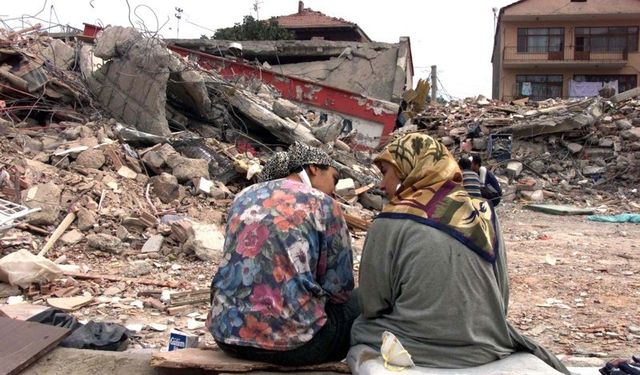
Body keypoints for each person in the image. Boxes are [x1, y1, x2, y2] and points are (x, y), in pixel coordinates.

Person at [350, 134, 569, 374]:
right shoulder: (484, 212)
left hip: (415, 347)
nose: (382, 185)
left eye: (385, 173)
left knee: (356, 325)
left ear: (407, 171)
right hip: (486, 347)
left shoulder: (390, 220)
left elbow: (373, 304)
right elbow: (501, 296)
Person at [208, 142, 359, 366]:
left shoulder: (242, 196)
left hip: (226, 336)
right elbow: (340, 290)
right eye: (334, 179)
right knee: (359, 301)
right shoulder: (324, 204)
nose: (334, 190)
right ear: (314, 168)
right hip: (296, 346)